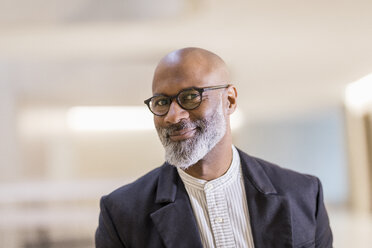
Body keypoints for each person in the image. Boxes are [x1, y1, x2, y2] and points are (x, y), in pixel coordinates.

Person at [95, 47, 333, 248]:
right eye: (161, 102)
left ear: (229, 100)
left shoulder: (303, 194)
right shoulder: (121, 214)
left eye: (190, 97)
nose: (173, 116)